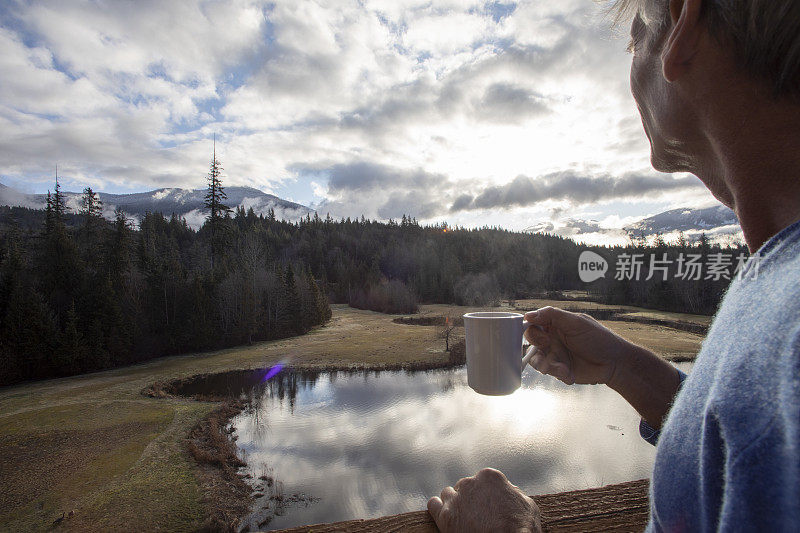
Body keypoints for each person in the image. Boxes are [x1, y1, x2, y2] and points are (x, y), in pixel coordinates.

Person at [427, 0, 800, 530]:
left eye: (635, 37)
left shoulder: (792, 336)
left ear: (682, 24)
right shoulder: (780, 280)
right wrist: (623, 366)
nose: (631, 70)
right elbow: (740, 438)